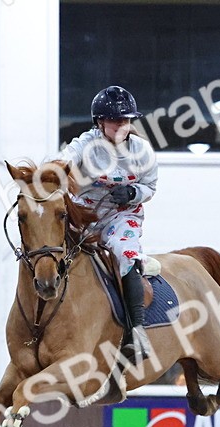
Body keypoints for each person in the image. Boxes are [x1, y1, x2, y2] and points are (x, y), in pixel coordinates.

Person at [58, 85, 158, 361]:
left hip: (122, 215)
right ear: (99, 122)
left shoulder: (142, 151)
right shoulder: (85, 144)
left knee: (124, 253)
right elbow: (66, 158)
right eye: (115, 120)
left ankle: (137, 331)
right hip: (85, 215)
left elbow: (150, 186)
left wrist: (132, 192)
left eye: (125, 120)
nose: (121, 126)